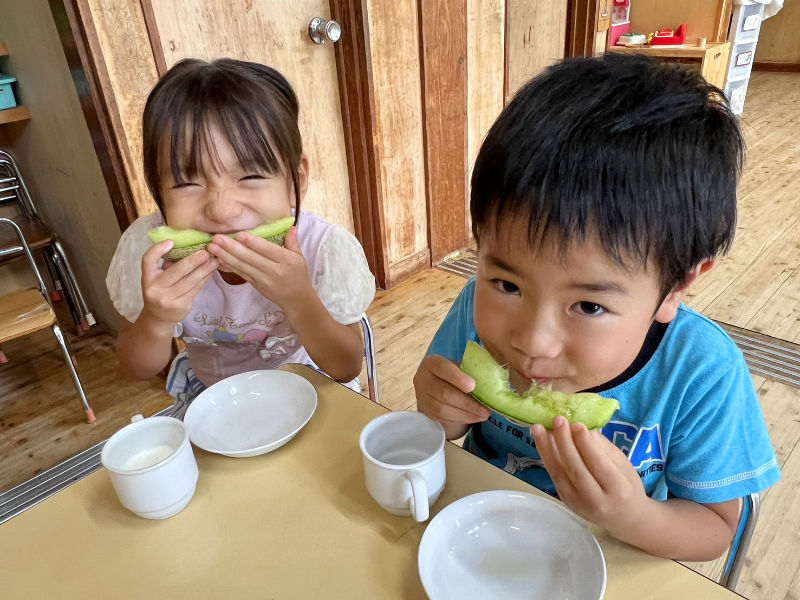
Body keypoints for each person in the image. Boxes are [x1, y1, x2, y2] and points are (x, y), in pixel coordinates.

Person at [413, 53, 780, 561]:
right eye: (508, 284)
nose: (531, 342)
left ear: (675, 288)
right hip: (480, 541)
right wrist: (439, 412)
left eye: (587, 306)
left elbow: (718, 530)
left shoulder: (701, 372)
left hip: (614, 557)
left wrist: (633, 515)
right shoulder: (475, 307)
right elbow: (447, 429)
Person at [106, 58, 375, 404]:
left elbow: (346, 366)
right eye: (188, 181)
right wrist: (157, 319)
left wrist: (300, 300)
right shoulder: (149, 254)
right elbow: (137, 367)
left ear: (297, 182)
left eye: (250, 177)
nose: (221, 210)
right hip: (215, 398)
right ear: (158, 192)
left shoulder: (322, 249)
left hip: (309, 384)